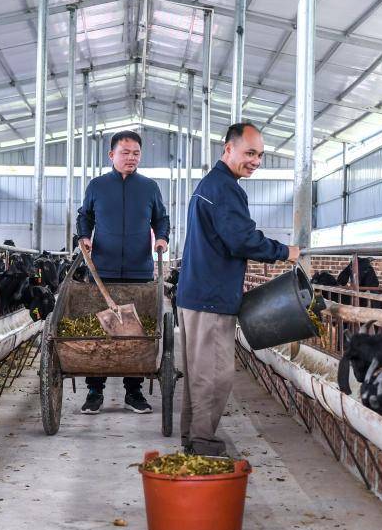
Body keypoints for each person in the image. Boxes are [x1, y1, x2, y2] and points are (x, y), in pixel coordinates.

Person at [175, 122, 300, 456]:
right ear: (227, 149)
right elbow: (241, 239)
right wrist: (284, 251)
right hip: (212, 297)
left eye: (260, 155)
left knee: (198, 371)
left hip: (196, 293)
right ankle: (202, 441)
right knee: (215, 373)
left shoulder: (211, 184)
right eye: (249, 153)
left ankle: (193, 435)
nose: (256, 160)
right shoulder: (225, 188)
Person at [76, 130, 170, 415]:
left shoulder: (149, 187)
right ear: (111, 155)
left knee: (137, 330)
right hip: (101, 269)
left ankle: (134, 391)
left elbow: (161, 218)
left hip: (139, 268)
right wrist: (84, 236)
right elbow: (85, 215)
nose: (131, 158)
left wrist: (161, 238)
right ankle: (95, 391)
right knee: (99, 327)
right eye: (125, 152)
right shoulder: (97, 185)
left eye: (136, 153)